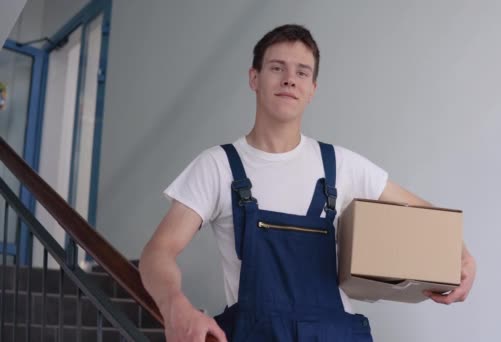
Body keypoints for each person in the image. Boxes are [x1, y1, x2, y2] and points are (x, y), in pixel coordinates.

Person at [139, 24, 476, 342]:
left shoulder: (341, 165)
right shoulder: (217, 166)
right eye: (276, 68)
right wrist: (174, 306)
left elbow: (430, 219)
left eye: (302, 72)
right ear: (254, 78)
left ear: (312, 89)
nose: (290, 79)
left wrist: (462, 258)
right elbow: (158, 252)